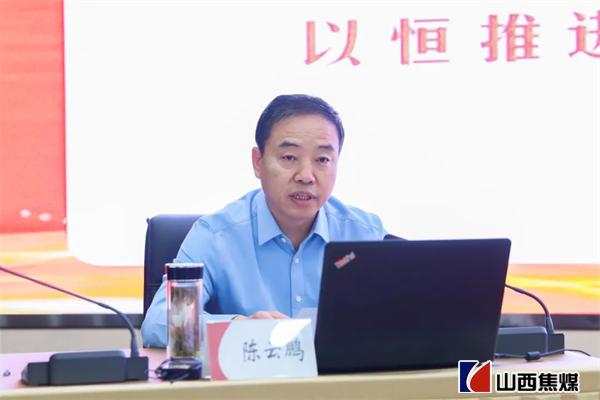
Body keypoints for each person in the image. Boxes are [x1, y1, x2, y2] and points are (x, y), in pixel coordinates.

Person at [141, 94, 386, 347]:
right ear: (258, 162)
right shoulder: (214, 237)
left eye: (322, 160)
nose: (306, 176)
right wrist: (240, 329)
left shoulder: (366, 234)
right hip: (250, 372)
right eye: (289, 157)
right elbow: (159, 323)